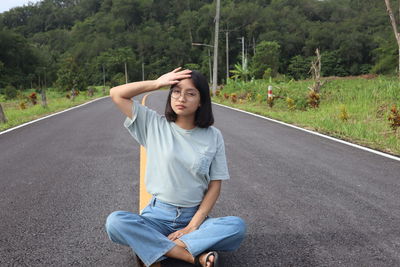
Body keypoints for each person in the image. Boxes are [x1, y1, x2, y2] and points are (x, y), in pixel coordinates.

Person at [105, 67, 246, 267]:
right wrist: (157, 83)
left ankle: (156, 250)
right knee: (115, 222)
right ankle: (191, 256)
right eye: (176, 92)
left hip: (193, 215)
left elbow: (215, 185)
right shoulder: (154, 125)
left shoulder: (213, 136)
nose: (181, 98)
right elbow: (116, 94)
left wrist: (193, 225)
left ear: (201, 101)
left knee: (236, 227)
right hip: (156, 217)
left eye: (190, 94)